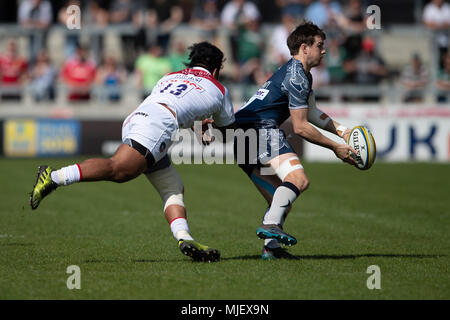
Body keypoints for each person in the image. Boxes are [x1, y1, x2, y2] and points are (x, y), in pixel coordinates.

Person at [29, 42, 235, 263]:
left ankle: (185, 238)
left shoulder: (170, 76)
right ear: (215, 70)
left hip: (138, 116)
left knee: (172, 187)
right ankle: (54, 177)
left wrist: (197, 125)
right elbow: (229, 131)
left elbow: (179, 103)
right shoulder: (219, 88)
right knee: (120, 170)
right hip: (157, 126)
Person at [232, 22, 357, 260]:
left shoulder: (298, 73)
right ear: (304, 47)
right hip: (259, 129)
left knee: (281, 196)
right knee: (298, 180)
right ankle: (270, 225)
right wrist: (336, 148)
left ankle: (271, 248)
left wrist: (342, 131)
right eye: (319, 46)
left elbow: (311, 111)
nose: (324, 51)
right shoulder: (297, 76)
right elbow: (300, 127)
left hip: (241, 135)